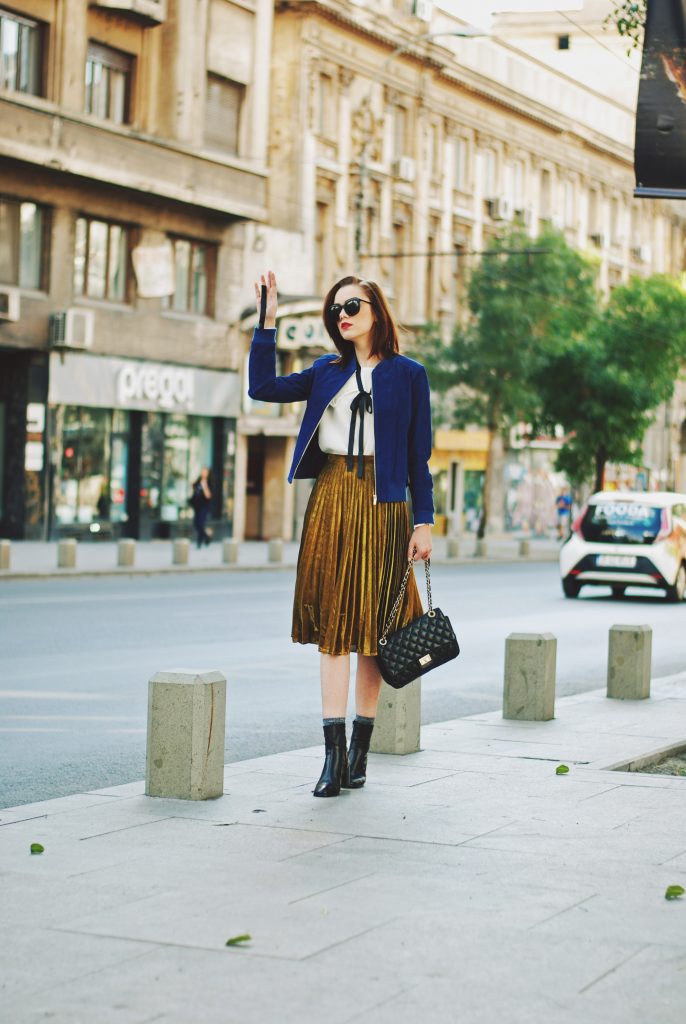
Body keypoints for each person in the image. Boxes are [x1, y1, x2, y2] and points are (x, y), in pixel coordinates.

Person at [249, 271, 434, 798]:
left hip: (385, 505)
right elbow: (261, 388)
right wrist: (268, 324)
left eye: (351, 305)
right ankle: (331, 760)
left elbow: (419, 454)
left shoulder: (409, 375)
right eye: (335, 309)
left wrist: (424, 521)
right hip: (332, 496)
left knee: (375, 632)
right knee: (333, 628)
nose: (342, 315)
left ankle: (360, 754)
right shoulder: (325, 371)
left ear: (377, 308)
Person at [190, 467, 213, 548]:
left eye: (205, 472)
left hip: (204, 506)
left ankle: (199, 542)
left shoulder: (209, 482)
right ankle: (206, 537)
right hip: (197, 506)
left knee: (200, 523)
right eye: (202, 471)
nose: (203, 473)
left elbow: (208, 496)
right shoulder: (198, 481)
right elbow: (194, 490)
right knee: (196, 524)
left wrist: (205, 486)